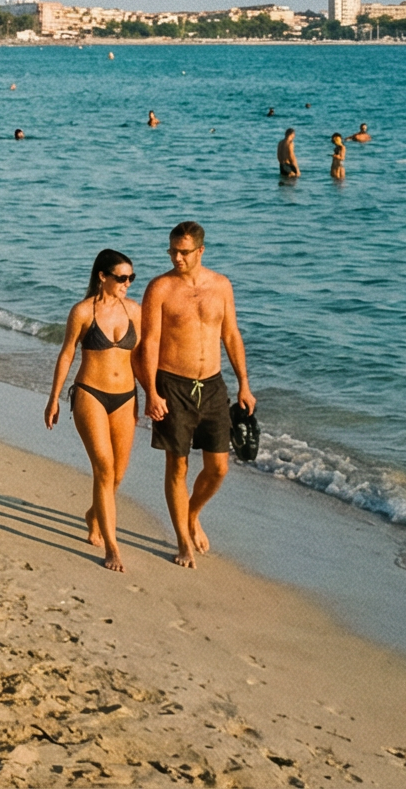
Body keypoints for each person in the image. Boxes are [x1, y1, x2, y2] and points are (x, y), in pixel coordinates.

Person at [136, 222, 255, 569]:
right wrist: (151, 392)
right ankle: (183, 541)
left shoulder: (221, 286)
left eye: (184, 252)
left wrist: (244, 383)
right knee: (178, 466)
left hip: (214, 385)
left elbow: (231, 334)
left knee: (218, 467)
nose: (177, 258)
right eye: (172, 251)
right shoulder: (160, 287)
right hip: (173, 385)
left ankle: (192, 513)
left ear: (200, 251)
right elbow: (150, 343)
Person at [45, 249, 142, 574]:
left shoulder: (135, 311)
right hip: (90, 394)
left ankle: (93, 514)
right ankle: (112, 546)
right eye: (121, 277)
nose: (127, 283)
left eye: (131, 277)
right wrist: (54, 398)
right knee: (104, 467)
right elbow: (67, 353)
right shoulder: (83, 312)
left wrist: (151, 395)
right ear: (103, 277)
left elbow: (141, 358)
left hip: (126, 397)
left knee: (118, 473)